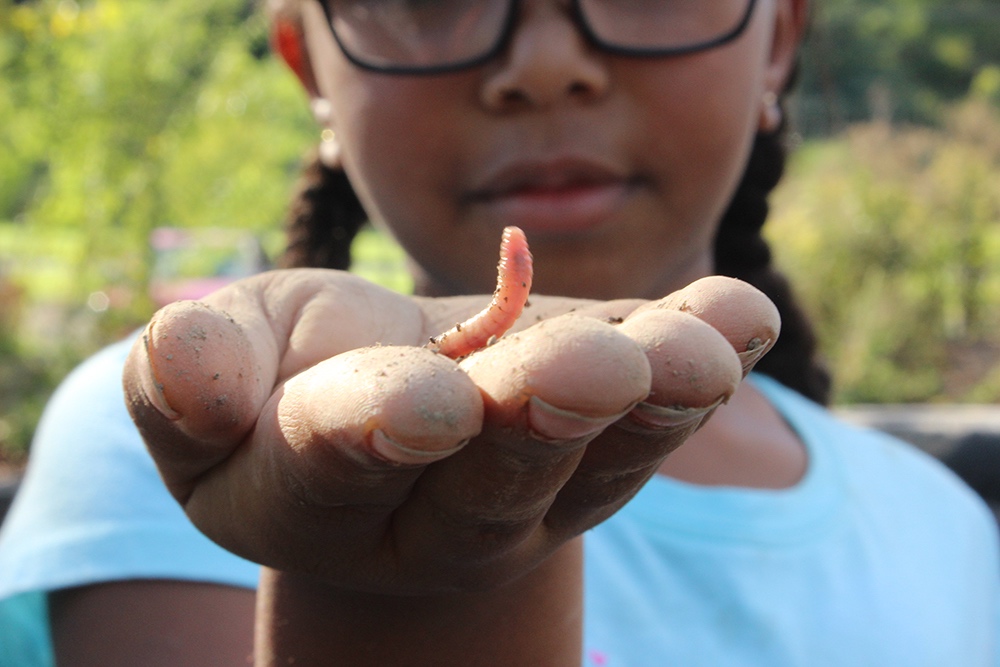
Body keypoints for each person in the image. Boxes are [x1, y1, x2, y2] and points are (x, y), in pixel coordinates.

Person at [1, 0, 998, 664]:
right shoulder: (198, 434)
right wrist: (392, 590)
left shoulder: (944, 530)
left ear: (776, 37)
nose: (547, 67)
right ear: (309, 65)